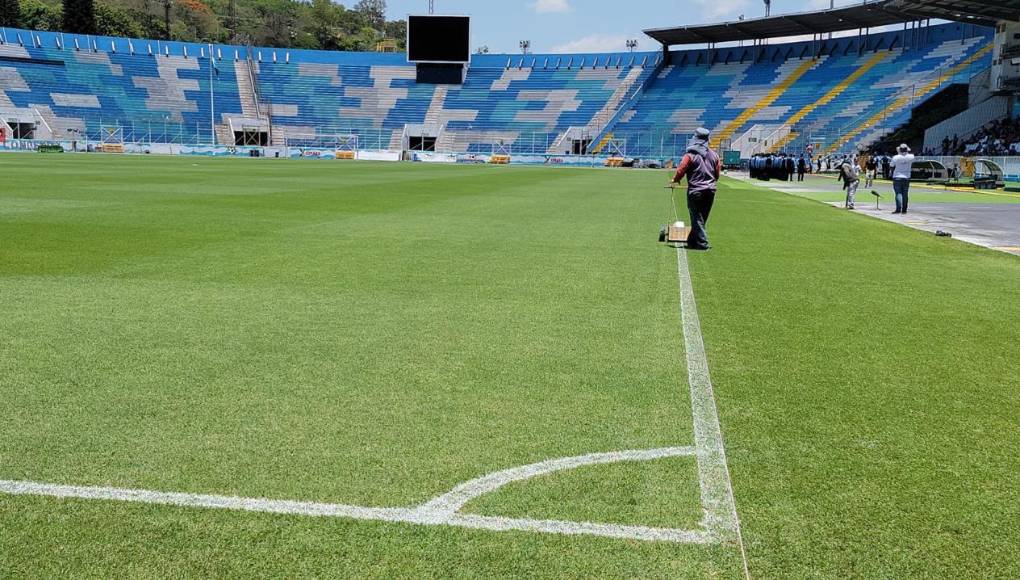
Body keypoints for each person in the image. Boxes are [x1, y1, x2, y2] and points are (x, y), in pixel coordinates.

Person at [669, 127, 721, 251]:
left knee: (697, 217)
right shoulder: (714, 155)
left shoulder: (690, 155)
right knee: (701, 218)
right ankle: (692, 241)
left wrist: (675, 179)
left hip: (696, 191)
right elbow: (717, 173)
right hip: (711, 191)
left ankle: (703, 244)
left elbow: (681, 169)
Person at [891, 144, 914, 215]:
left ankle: (898, 208)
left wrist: (899, 153)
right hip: (906, 176)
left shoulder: (896, 157)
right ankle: (904, 209)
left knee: (898, 193)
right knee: (905, 194)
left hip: (897, 176)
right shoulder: (911, 157)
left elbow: (891, 165)